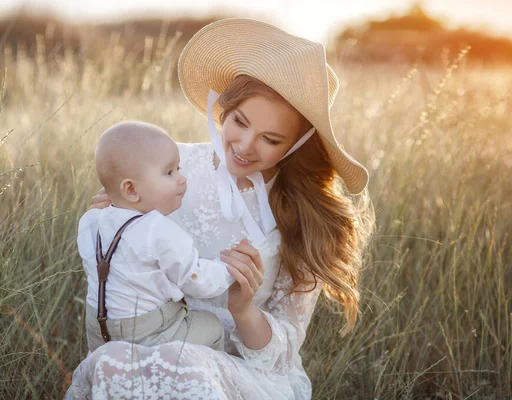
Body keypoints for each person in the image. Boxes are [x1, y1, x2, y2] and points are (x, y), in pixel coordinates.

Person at [65, 18, 375, 400]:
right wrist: (116, 216)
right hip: (151, 339)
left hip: (240, 370)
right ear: (223, 109)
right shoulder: (167, 168)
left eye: (271, 139)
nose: (245, 145)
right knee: (111, 360)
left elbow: (283, 350)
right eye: (239, 122)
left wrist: (244, 310)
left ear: (297, 143)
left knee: (186, 364)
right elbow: (117, 256)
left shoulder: (303, 214)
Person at [78, 121, 235, 353]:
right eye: (169, 172)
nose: (181, 178)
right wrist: (227, 268)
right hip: (147, 331)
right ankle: (200, 381)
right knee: (212, 327)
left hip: (98, 328)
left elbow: (92, 265)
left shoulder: (91, 221)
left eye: (179, 169)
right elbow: (196, 279)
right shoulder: (157, 229)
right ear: (131, 190)